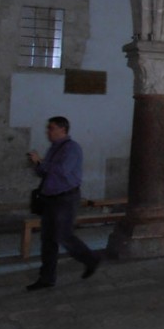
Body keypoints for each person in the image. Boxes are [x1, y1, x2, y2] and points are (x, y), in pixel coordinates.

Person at [25, 116, 100, 291]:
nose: (47, 132)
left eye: (51, 128)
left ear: (62, 129)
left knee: (63, 235)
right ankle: (47, 278)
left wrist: (41, 161)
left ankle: (90, 259)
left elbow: (63, 170)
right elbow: (45, 172)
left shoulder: (72, 148)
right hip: (50, 198)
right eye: (48, 128)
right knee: (48, 239)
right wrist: (38, 165)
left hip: (65, 198)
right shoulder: (54, 148)